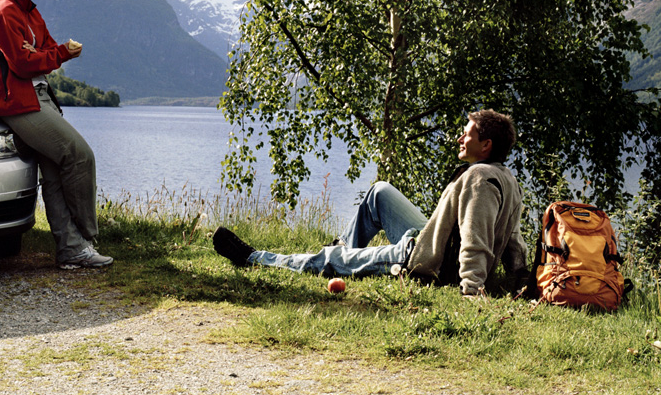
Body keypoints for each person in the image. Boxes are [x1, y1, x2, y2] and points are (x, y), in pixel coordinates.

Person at [212, 109, 530, 297]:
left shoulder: (480, 180)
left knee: (331, 259)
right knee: (380, 191)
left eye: (467, 135)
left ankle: (255, 258)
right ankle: (339, 255)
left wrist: (472, 289)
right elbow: (513, 240)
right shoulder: (504, 177)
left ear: (486, 144)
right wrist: (520, 277)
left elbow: (477, 239)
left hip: (423, 262)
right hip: (428, 240)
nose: (460, 139)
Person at [0, 0, 112, 270]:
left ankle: (71, 250)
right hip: (18, 102)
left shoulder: (29, 11)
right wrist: (57, 54)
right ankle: (87, 233)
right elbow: (25, 65)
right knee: (80, 154)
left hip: (38, 97)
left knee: (54, 173)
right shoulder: (3, 12)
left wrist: (48, 52)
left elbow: (45, 50)